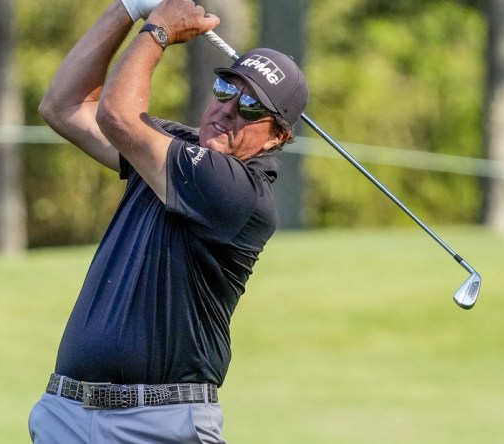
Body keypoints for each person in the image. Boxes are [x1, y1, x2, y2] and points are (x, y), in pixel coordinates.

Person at [28, 0, 309, 442]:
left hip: (159, 423)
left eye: (252, 105)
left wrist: (157, 30)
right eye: (225, 89)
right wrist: (127, 7)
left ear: (278, 136)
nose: (227, 109)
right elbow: (63, 105)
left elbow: (117, 117)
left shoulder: (240, 192)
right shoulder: (171, 149)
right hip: (69, 414)